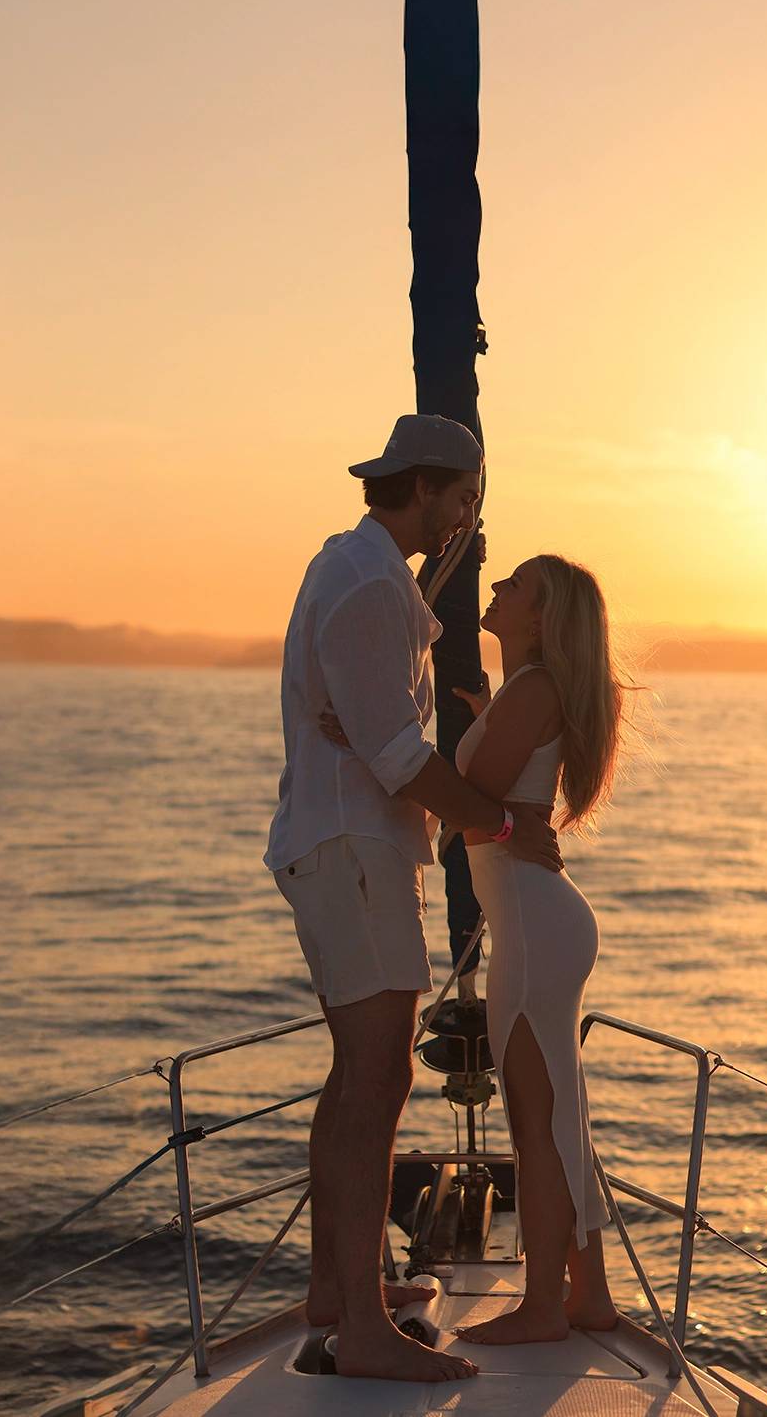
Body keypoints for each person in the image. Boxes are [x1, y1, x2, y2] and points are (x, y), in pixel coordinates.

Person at [264, 415, 562, 1383]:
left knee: (357, 1072)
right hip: (355, 851)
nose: (469, 520)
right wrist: (503, 824)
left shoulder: (357, 574)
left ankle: (336, 1286)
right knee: (380, 1076)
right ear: (432, 488)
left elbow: (370, 728)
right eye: (465, 500)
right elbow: (397, 757)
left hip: (348, 844)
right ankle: (360, 1324)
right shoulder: (368, 587)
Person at [450, 554, 624, 1344]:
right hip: (542, 919)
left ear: (541, 616)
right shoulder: (529, 691)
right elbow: (503, 789)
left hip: (531, 920)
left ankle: (543, 1308)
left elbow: (471, 801)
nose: (494, 589)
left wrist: (365, 741)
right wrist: (488, 712)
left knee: (539, 1119)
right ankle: (588, 1294)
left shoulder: (534, 690)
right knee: (563, 1114)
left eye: (512, 584)